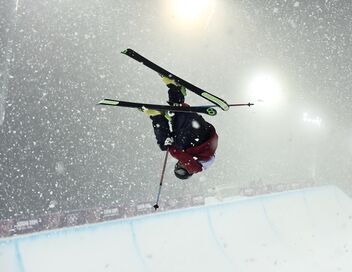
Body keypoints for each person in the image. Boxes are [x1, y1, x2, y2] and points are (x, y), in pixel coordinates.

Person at [143, 77, 218, 179]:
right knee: (165, 146)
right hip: (195, 133)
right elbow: (186, 159)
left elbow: (184, 155)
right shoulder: (196, 167)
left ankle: (175, 89)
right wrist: (171, 148)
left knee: (176, 110)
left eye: (177, 168)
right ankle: (158, 117)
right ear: (190, 173)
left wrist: (171, 143)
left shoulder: (193, 153)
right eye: (182, 171)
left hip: (193, 124)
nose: (180, 166)